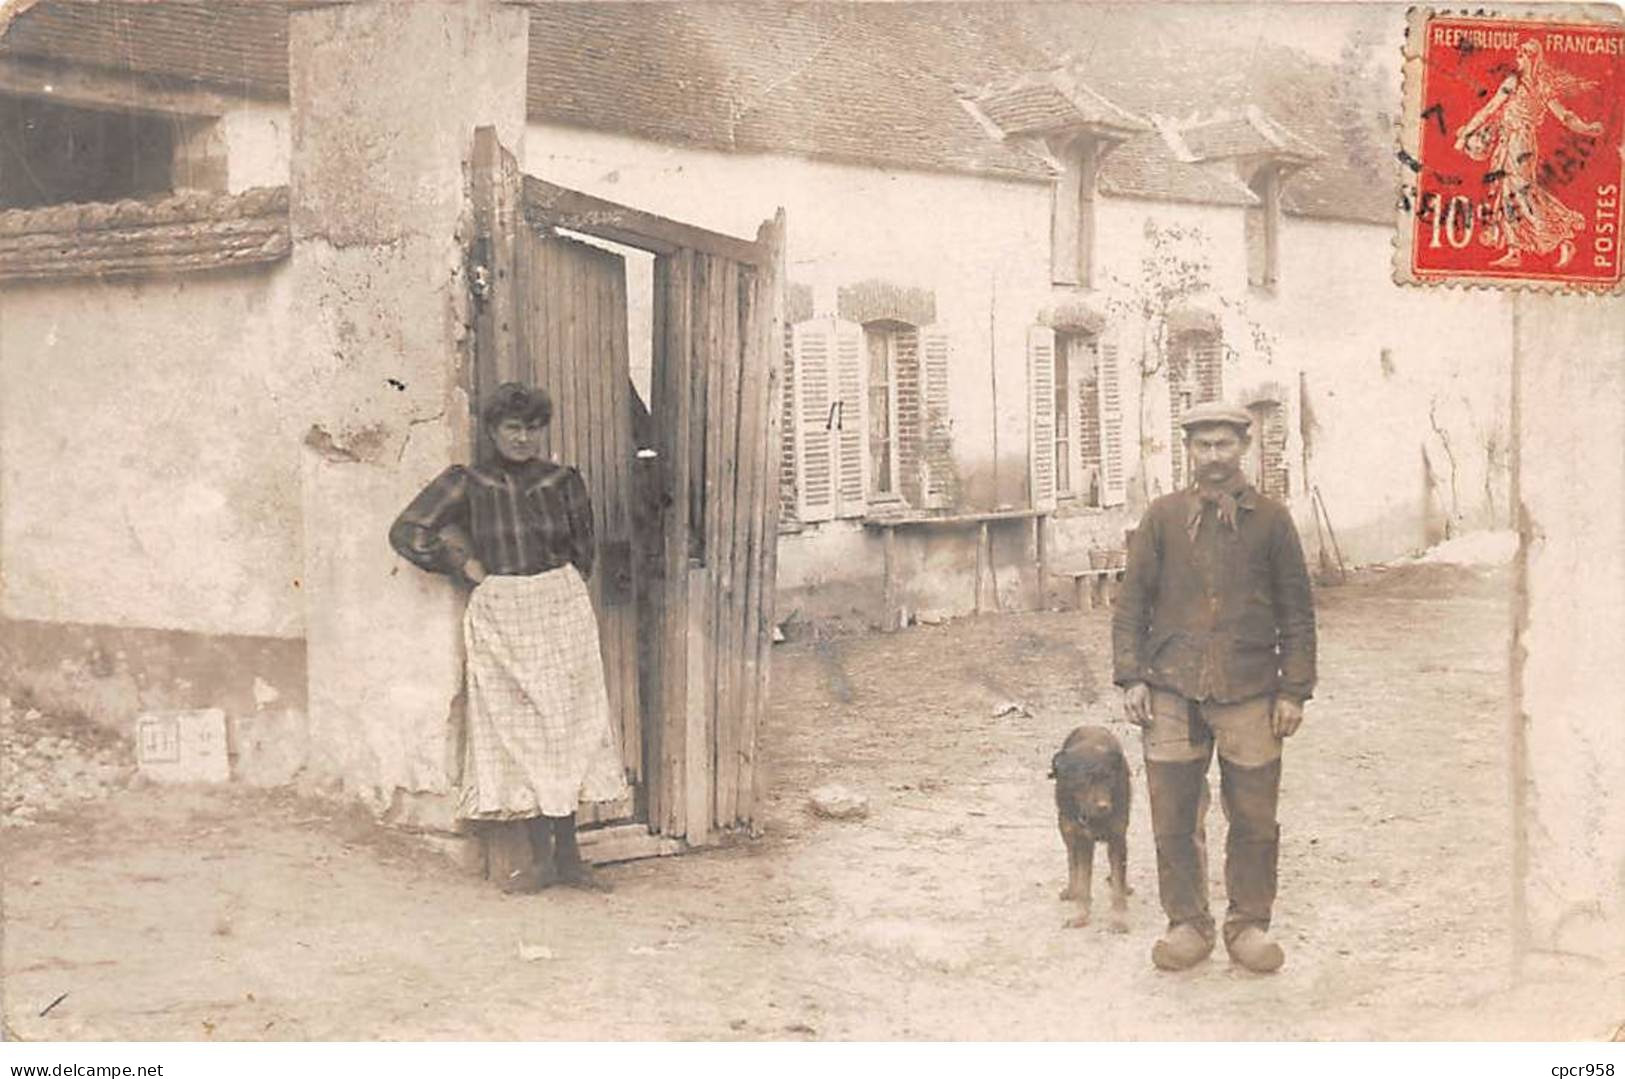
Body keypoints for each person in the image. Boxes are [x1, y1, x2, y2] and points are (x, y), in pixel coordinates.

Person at [389, 382, 628, 893]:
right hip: (503, 609)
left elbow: (585, 548)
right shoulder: (468, 482)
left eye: (533, 428)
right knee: (519, 729)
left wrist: (555, 585)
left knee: (567, 725)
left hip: (559, 605)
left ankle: (571, 857)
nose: (523, 438)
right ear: (493, 431)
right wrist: (465, 565)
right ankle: (539, 859)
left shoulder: (563, 480)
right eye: (512, 428)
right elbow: (409, 530)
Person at [1112, 400, 1317, 973]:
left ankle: (1248, 925)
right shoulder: (1162, 518)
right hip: (1171, 687)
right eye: (1203, 446)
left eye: (1224, 444)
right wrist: (1131, 675)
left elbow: (1297, 613)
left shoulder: (1272, 522)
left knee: (1254, 816)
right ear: (1189, 452)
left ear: (1243, 449)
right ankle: (1187, 925)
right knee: (1174, 815)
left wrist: (1293, 690)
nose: (1214, 457)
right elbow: (1131, 605)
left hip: (1251, 687)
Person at [1453, 38, 1604, 270]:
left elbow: (1563, 115)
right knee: (1507, 193)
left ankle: (1562, 241)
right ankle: (1515, 250)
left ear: (1532, 58)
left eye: (1523, 55)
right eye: (1519, 55)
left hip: (1520, 143)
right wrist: (1468, 131)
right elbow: (1492, 108)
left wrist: (1586, 128)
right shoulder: (1525, 83)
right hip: (1509, 141)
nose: (1519, 59)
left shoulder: (1534, 85)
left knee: (1522, 194)